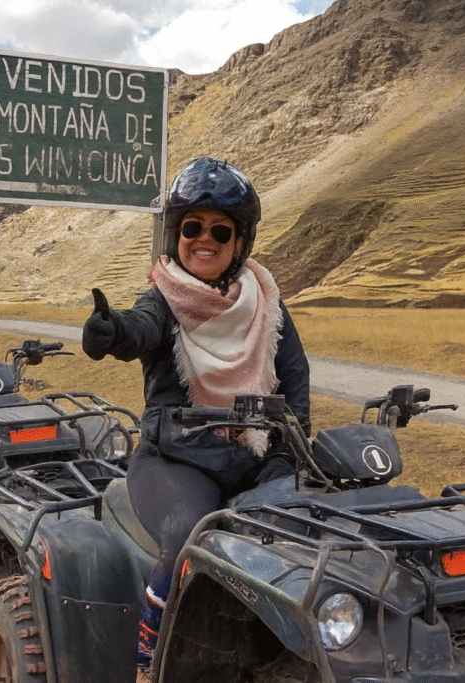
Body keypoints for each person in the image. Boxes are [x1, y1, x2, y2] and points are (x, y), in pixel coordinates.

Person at [81, 157, 311, 674]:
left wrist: (285, 458)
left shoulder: (266, 304)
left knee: (312, 528)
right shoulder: (163, 299)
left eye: (220, 229)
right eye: (192, 226)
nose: (204, 238)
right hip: (175, 461)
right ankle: (149, 660)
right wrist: (112, 332)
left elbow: (295, 382)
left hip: (251, 459)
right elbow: (139, 329)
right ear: (175, 232)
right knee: (189, 530)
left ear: (240, 240)